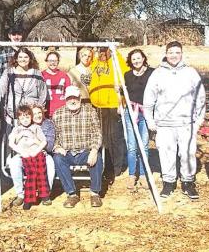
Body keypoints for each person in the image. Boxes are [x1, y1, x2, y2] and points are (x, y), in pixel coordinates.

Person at [143, 41, 205, 199]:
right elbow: (149, 99)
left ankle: (188, 182)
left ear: (181, 54)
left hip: (186, 124)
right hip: (164, 124)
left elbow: (200, 99)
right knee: (166, 154)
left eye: (177, 52)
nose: (174, 55)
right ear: (166, 53)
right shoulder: (157, 73)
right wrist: (150, 121)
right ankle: (169, 183)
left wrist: (197, 122)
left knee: (188, 154)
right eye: (171, 52)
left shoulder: (191, 72)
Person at [0, 47, 47, 205]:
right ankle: (20, 189)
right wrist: (7, 111)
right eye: (20, 57)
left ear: (30, 58)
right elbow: (2, 93)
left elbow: (43, 94)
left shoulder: (36, 74)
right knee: (17, 151)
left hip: (32, 117)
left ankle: (38, 187)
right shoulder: (9, 72)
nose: (23, 60)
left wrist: (37, 112)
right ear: (16, 58)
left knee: (33, 148)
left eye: (26, 57)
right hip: (14, 116)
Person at [52, 86, 103, 208]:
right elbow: (54, 136)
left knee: (98, 158)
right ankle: (72, 194)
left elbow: (97, 133)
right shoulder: (58, 114)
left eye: (75, 97)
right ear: (65, 99)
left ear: (80, 98)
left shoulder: (90, 111)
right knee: (57, 159)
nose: (73, 101)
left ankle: (95, 193)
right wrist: (57, 147)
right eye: (70, 98)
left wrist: (94, 150)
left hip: (85, 151)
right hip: (67, 152)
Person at [89, 46, 129, 181]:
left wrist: (121, 102)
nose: (102, 53)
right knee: (102, 137)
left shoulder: (117, 61)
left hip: (113, 105)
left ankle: (116, 167)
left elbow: (125, 79)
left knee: (115, 137)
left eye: (105, 50)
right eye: (100, 50)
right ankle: (105, 167)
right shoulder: (95, 62)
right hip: (98, 106)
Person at [8, 104, 56, 207]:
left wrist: (36, 149)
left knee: (44, 167)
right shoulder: (16, 129)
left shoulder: (37, 128)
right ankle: (22, 196)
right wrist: (22, 152)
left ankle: (45, 194)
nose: (25, 120)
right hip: (23, 154)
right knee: (17, 165)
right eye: (22, 117)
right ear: (19, 119)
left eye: (27, 117)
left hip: (37, 153)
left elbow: (45, 142)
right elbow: (11, 143)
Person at [123, 49, 154, 190]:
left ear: (143, 58)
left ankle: (143, 175)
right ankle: (131, 175)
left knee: (144, 145)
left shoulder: (152, 73)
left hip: (146, 112)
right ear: (130, 61)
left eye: (138, 58)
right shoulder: (127, 75)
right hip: (131, 112)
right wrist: (120, 92)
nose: (136, 61)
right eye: (133, 59)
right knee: (132, 146)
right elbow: (126, 93)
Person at [42, 51, 71, 117]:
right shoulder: (42, 75)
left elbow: (68, 93)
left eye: (55, 60)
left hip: (61, 111)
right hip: (46, 111)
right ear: (46, 61)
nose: (52, 63)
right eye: (50, 60)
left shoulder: (64, 75)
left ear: (58, 61)